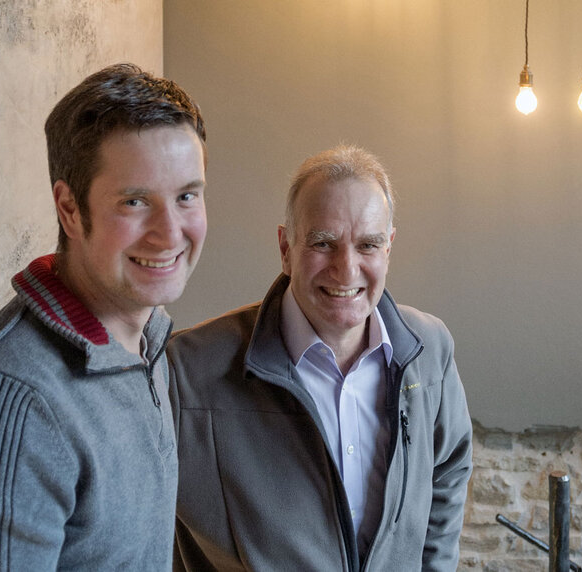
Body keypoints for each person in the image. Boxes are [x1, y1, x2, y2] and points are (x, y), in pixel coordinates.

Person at [0, 63, 208, 570]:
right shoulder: (7, 410)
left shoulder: (145, 338)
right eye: (134, 202)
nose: (170, 233)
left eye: (186, 196)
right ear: (68, 209)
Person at [168, 145, 472, 571]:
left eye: (368, 245)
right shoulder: (188, 369)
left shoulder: (430, 350)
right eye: (323, 243)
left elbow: (448, 469)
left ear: (389, 248)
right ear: (285, 248)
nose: (346, 270)